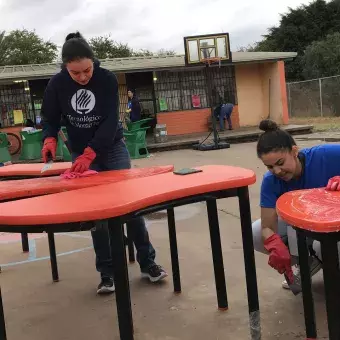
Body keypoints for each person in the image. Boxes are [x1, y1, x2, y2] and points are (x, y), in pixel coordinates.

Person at [40, 32, 167, 294]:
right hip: (81, 157)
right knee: (97, 216)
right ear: (65, 67)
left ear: (93, 62)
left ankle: (148, 263)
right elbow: (50, 117)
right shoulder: (57, 84)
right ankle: (107, 273)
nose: (83, 77)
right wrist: (49, 140)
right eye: (76, 73)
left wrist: (92, 152)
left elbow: (111, 122)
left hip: (111, 150)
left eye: (87, 70)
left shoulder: (106, 79)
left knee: (131, 209)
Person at [252, 119, 340, 290]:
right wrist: (273, 243)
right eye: (269, 167)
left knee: (324, 247)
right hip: (309, 224)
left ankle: (327, 262)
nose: (277, 171)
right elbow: (267, 226)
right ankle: (307, 264)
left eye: (280, 163)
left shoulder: (325, 155)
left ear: (294, 151)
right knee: (255, 233)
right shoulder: (271, 182)